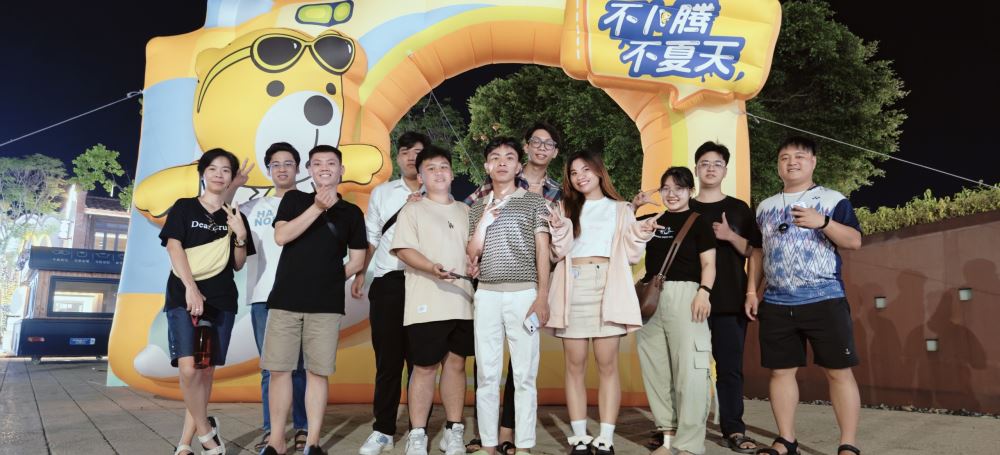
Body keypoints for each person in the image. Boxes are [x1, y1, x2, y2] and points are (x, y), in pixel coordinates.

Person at [745, 137, 863, 455]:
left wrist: (823, 222)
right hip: (777, 302)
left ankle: (848, 444)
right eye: (784, 157)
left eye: (799, 156)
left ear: (813, 162)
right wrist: (752, 290)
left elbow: (854, 241)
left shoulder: (832, 199)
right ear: (778, 166)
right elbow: (758, 252)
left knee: (838, 372)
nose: (792, 162)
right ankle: (787, 440)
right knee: (781, 372)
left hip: (825, 299)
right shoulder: (765, 206)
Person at [544, 151, 660, 455]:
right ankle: (579, 437)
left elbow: (631, 254)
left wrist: (642, 232)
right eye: (573, 172)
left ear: (599, 171)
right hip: (572, 286)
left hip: (608, 285)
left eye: (585, 169)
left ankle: (606, 437)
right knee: (574, 365)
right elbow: (558, 252)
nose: (580, 176)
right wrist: (558, 228)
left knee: (608, 365)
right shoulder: (564, 208)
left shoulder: (621, 209)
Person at [258, 145, 368, 455]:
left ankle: (313, 442)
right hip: (285, 300)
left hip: (326, 305)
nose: (324, 168)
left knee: (317, 372)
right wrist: (318, 207)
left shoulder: (352, 213)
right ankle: (276, 441)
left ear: (341, 170)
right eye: (317, 163)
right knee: (279, 370)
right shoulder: (294, 199)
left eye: (331, 163)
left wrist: (329, 279)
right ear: (309, 169)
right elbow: (282, 236)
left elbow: (357, 261)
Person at [463, 122, 563, 454]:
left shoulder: (535, 203)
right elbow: (472, 254)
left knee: (524, 375)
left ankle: (524, 446)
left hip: (524, 295)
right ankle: (489, 444)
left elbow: (542, 253)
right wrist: (484, 221)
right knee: (487, 375)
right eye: (495, 158)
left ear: (519, 166)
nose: (502, 163)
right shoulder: (476, 206)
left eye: (509, 157)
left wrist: (542, 296)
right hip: (487, 294)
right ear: (487, 166)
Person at [161, 148, 254, 455]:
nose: (218, 174)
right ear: (202, 173)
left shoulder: (234, 216)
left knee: (205, 371)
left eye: (225, 170)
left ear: (230, 177)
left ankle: (185, 443)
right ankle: (206, 432)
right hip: (183, 295)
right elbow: (173, 247)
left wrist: (240, 236)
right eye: (212, 168)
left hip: (222, 299)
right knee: (189, 369)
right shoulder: (184, 207)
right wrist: (191, 288)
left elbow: (238, 263)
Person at [390, 146, 475, 455]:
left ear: (452, 173)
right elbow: (403, 250)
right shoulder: (412, 209)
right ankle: (417, 433)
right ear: (421, 177)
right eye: (431, 168)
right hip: (425, 302)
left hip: (463, 302)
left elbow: (474, 252)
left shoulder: (467, 211)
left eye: (443, 167)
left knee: (456, 365)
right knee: (424, 367)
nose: (439, 172)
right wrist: (431, 267)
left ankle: (454, 430)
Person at [353, 132, 429, 455]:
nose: (411, 156)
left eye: (418, 152)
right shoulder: (382, 193)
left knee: (421, 362)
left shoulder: (438, 192)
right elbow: (371, 236)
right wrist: (361, 273)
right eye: (405, 151)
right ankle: (383, 430)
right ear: (397, 158)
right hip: (387, 283)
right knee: (388, 362)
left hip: (424, 284)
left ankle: (417, 431)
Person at [636, 166, 716, 455]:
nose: (671, 194)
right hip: (652, 298)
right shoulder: (652, 219)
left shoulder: (699, 222)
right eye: (666, 188)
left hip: (687, 295)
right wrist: (635, 206)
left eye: (679, 188)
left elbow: (709, 263)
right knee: (655, 369)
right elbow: (618, 232)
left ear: (690, 191)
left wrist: (704, 292)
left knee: (690, 370)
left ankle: (689, 445)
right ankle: (667, 439)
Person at [690, 142, 764, 453]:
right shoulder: (684, 207)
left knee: (730, 368)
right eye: (704, 163)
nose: (710, 168)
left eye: (717, 164)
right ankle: (682, 428)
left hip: (731, 300)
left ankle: (733, 429)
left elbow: (754, 251)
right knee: (688, 368)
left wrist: (730, 235)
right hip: (690, 301)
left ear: (725, 170)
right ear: (696, 169)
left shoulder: (739, 208)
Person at [238, 143, 310, 452]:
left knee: (300, 367)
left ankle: (303, 427)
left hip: (301, 295)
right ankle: (272, 432)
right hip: (263, 296)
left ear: (298, 168)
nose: (282, 168)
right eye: (276, 164)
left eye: (288, 163)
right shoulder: (251, 208)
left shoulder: (312, 204)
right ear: (268, 170)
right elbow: (221, 215)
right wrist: (234, 186)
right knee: (270, 368)